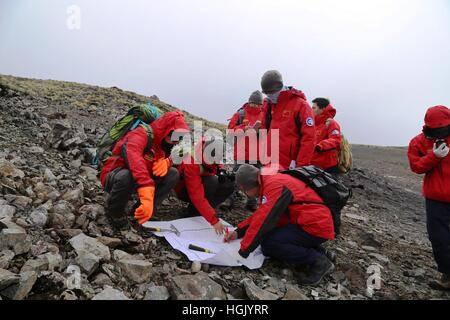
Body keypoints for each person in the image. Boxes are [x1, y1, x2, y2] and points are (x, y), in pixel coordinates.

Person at [224, 164, 335, 285]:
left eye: (245, 191)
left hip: (315, 226)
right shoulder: (270, 180)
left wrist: (242, 252)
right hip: (310, 223)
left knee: (270, 244)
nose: (246, 195)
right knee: (270, 236)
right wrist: (238, 231)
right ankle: (323, 253)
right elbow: (261, 215)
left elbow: (264, 221)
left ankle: (319, 261)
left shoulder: (274, 185)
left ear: (250, 185)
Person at [100, 111, 190, 230]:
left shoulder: (164, 144)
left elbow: (183, 160)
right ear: (166, 130)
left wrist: (168, 163)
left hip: (139, 180)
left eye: (180, 137)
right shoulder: (140, 134)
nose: (177, 141)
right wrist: (146, 188)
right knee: (128, 175)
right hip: (115, 176)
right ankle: (115, 212)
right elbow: (134, 158)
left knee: (173, 174)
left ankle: (141, 212)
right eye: (175, 136)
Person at [408, 105, 450, 289]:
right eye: (436, 128)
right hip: (436, 199)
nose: (440, 131)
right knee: (439, 238)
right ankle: (448, 275)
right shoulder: (418, 142)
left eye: (444, 127)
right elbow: (416, 166)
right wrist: (434, 156)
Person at [175, 137, 235, 234]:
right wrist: (214, 220)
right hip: (183, 189)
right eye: (216, 160)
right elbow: (196, 196)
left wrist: (221, 169)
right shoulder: (191, 161)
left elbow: (215, 163)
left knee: (228, 184)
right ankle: (193, 212)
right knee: (212, 182)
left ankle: (203, 212)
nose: (219, 161)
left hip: (202, 182)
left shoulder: (210, 145)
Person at [260, 70, 315, 171]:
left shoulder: (301, 105)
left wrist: (301, 167)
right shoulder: (268, 105)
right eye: (266, 93)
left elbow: (309, 138)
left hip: (289, 166)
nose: (269, 95)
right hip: (269, 164)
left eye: (271, 92)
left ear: (279, 86)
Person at [227, 90, 265, 210]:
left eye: (258, 104)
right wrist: (244, 128)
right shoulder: (241, 114)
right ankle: (228, 200)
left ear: (261, 104)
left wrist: (261, 131)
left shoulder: (266, 115)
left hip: (258, 154)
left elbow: (271, 131)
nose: (254, 106)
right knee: (236, 177)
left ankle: (252, 203)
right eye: (252, 103)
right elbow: (230, 131)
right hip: (241, 153)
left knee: (256, 179)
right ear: (249, 102)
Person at [310, 98, 342, 175]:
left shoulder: (331, 123)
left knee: (328, 187)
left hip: (327, 167)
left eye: (314, 108)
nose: (311, 110)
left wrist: (321, 145)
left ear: (322, 109)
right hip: (312, 165)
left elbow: (336, 140)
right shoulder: (312, 124)